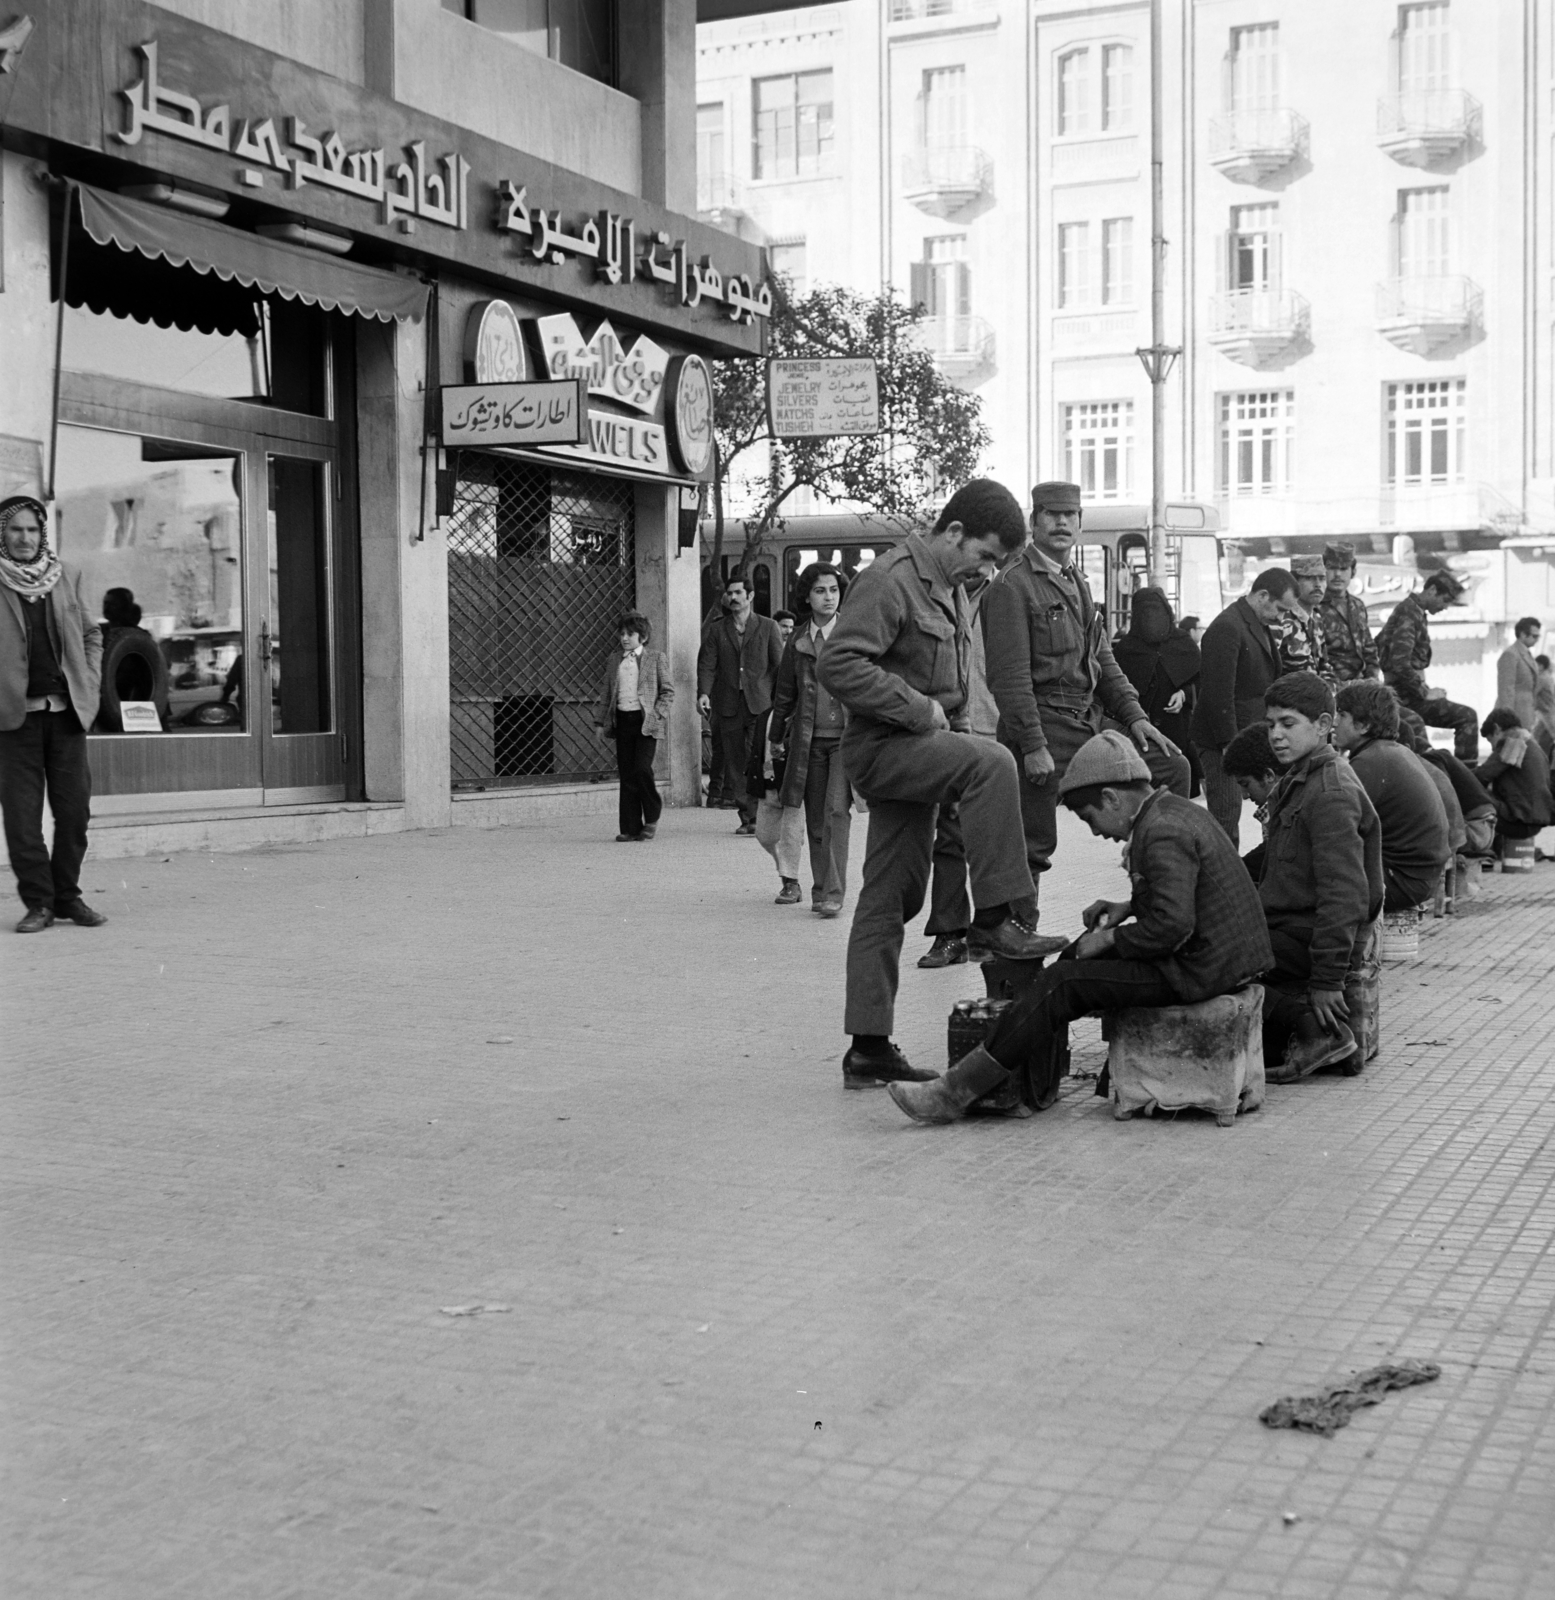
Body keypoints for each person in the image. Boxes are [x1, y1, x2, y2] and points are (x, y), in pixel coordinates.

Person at [887, 731, 1274, 1125]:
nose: (1094, 832)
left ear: (1111, 798)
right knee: (1071, 963)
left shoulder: (1161, 831)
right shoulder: (1174, 810)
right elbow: (1185, 899)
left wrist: (1110, 937)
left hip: (1202, 970)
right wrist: (1127, 907)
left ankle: (954, 1093)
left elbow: (1173, 927)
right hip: (1220, 958)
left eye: (1090, 818)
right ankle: (1023, 1062)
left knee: (1064, 983)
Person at [818, 479, 1066, 1091]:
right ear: (953, 533)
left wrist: (955, 753)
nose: (985, 571)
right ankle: (997, 918)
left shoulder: (951, 587)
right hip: (883, 749)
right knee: (997, 762)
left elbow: (951, 694)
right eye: (983, 555)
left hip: (920, 753)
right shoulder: (891, 577)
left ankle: (868, 1048)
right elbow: (838, 662)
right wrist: (917, 711)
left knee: (891, 895)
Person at [982, 480, 1187, 916]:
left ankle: (1159, 902)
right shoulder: (1011, 586)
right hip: (1041, 726)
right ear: (1033, 521)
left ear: (1080, 523)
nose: (1060, 522)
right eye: (1050, 514)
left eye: (1070, 515)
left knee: (1171, 768)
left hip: (1089, 722)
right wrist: (1034, 746)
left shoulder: (1076, 581)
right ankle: (1016, 947)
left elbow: (1103, 659)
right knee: (1029, 845)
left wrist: (1135, 719)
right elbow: (1010, 679)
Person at [1255, 674, 1383, 1084]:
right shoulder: (1299, 780)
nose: (1275, 735)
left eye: (1288, 724)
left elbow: (1344, 895)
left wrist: (1327, 979)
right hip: (1289, 929)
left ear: (1324, 723)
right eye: (1270, 724)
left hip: (1308, 937)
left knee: (1207, 955)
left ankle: (1314, 1032)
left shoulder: (1329, 791)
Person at [0, 496, 106, 933]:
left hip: (66, 718)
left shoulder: (67, 576)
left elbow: (91, 635)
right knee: (23, 821)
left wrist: (90, 685)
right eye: (14, 530)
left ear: (41, 534)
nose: (24, 538)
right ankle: (39, 903)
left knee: (75, 814)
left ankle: (68, 897)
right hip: (12, 721)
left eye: (31, 530)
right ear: (1, 535)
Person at [917, 545, 1006, 967]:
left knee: (996, 838)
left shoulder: (1004, 590)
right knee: (950, 834)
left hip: (996, 727)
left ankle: (996, 932)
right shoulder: (936, 590)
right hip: (951, 727)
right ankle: (950, 934)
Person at [1191, 568, 1301, 843]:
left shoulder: (1255, 624)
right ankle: (1221, 880)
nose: (1281, 617)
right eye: (1279, 609)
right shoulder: (1227, 627)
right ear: (1262, 595)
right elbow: (1218, 695)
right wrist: (1230, 746)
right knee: (1226, 816)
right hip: (1223, 741)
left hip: (1246, 736)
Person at [770, 563, 852, 918]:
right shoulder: (798, 640)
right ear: (807, 595)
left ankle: (834, 892)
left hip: (847, 740)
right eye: (820, 590)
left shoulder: (853, 632)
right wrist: (775, 739)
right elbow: (785, 693)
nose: (828, 597)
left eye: (833, 590)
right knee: (817, 820)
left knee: (836, 812)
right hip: (808, 742)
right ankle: (820, 890)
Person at [1332, 680, 1450, 912]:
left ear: (1364, 724)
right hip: (1420, 876)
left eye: (1341, 714)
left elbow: (1336, 824)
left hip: (1403, 881)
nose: (1334, 722)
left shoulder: (1370, 761)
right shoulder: (1390, 752)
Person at [697, 575, 784, 836]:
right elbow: (707, 664)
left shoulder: (768, 627)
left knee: (756, 759)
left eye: (738, 593)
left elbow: (778, 666)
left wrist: (782, 702)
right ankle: (747, 816)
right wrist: (704, 693)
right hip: (728, 705)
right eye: (729, 593)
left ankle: (760, 814)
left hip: (760, 704)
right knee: (735, 763)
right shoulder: (716, 629)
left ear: (750, 596)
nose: (733, 598)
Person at [1376, 571, 1479, 759]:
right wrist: (1425, 692)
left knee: (1466, 717)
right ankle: (1449, 779)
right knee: (1460, 719)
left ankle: (1465, 779)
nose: (1445, 607)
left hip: (1411, 694)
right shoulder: (1408, 613)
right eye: (1445, 600)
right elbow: (1400, 663)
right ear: (1432, 590)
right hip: (1403, 697)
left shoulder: (1416, 612)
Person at [594, 610, 672, 843]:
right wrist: (600, 722)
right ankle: (630, 827)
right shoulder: (614, 659)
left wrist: (658, 714)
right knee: (627, 773)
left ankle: (652, 813)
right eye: (622, 634)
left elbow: (668, 691)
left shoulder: (656, 658)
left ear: (643, 637)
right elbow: (606, 693)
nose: (625, 638)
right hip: (622, 719)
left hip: (646, 722)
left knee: (641, 768)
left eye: (631, 634)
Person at [1111, 586, 1200, 777]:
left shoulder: (1182, 642)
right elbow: (1114, 689)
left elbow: (1201, 679)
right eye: (1145, 611)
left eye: (1156, 609)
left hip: (1179, 730)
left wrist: (1185, 694)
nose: (1151, 617)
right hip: (1138, 734)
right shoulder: (1125, 649)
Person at [745, 705, 807, 902]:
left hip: (793, 784)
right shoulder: (765, 716)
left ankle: (791, 882)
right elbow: (757, 750)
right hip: (768, 782)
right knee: (765, 835)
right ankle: (786, 868)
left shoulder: (802, 714)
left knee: (790, 833)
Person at [1475, 709, 1554, 851]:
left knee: (1466, 798)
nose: (1492, 747)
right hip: (1533, 820)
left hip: (1519, 822)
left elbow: (1481, 776)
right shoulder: (1531, 744)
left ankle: (1478, 854)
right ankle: (1496, 849)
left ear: (1497, 729)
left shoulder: (1513, 742)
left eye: (1490, 740)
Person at [1315, 543, 1380, 683]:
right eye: (1331, 568)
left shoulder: (1358, 606)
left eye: (1343, 568)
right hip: (1330, 688)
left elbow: (1369, 649)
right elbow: (1315, 657)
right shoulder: (1314, 606)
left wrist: (1373, 679)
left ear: (1353, 572)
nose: (1337, 574)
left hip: (1362, 685)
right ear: (1322, 570)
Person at [1273, 554, 1327, 676]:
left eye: (1322, 578)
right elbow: (1266, 671)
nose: (1318, 584)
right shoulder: (1280, 620)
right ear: (1293, 583)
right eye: (1309, 578)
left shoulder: (1317, 620)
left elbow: (1324, 667)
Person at [1496, 618, 1543, 747]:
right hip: (1515, 714)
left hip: (1526, 713)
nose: (1537, 639)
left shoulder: (1526, 654)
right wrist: (1508, 719)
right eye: (1534, 636)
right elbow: (1506, 689)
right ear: (1522, 634)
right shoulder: (1510, 655)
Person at [1535, 654, 1555, 757]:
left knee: (1537, 739)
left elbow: (1532, 692)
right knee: (1537, 738)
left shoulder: (1542, 678)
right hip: (1547, 712)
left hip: (1546, 713)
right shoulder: (1548, 677)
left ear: (1541, 666)